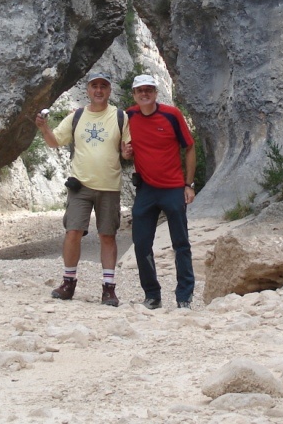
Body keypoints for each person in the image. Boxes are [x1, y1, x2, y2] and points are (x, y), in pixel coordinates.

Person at [34, 72, 131, 307]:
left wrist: (127, 153)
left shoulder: (120, 117)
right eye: (94, 86)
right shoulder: (76, 116)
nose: (99, 91)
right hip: (81, 185)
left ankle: (109, 289)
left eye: (103, 87)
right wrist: (43, 127)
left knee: (107, 235)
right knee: (73, 232)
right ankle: (68, 282)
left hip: (109, 186)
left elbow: (127, 148)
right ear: (88, 90)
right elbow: (55, 141)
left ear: (109, 91)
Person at [122, 74, 197, 309]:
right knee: (141, 243)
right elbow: (122, 147)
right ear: (134, 94)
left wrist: (189, 184)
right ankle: (152, 295)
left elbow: (190, 147)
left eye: (149, 90)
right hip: (146, 190)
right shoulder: (129, 116)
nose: (144, 94)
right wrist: (125, 154)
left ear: (156, 92)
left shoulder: (171, 115)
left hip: (173, 188)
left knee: (181, 243)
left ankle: (184, 297)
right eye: (140, 90)